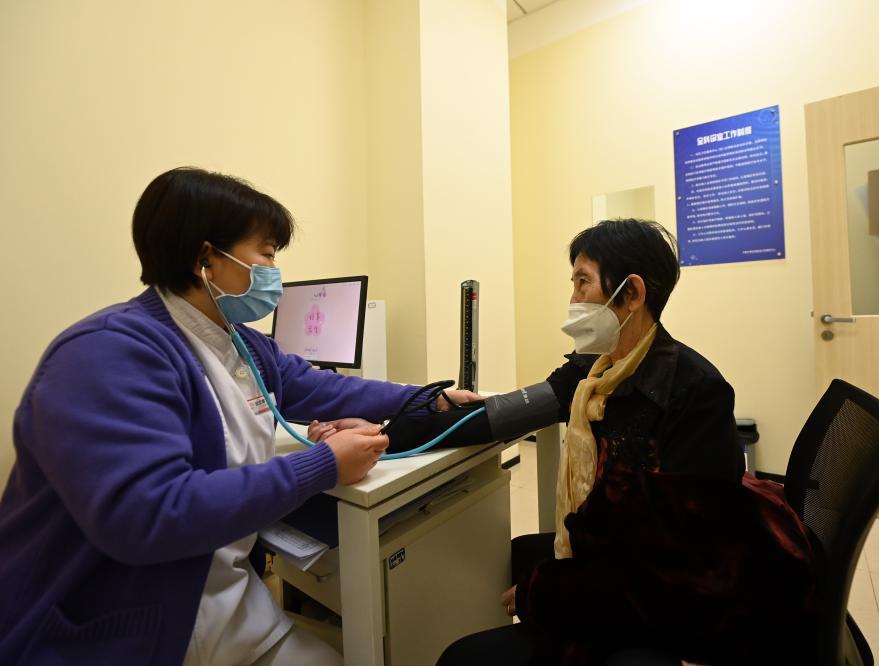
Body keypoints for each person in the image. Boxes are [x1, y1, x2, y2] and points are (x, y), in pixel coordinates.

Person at [0, 167, 477, 666]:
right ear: (206, 258)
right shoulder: (107, 353)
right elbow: (149, 514)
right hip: (117, 636)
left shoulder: (240, 344)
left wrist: (431, 399)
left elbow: (324, 388)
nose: (275, 271)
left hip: (231, 614)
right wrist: (323, 465)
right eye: (267, 254)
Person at [438, 219, 816, 665]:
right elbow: (521, 406)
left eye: (582, 282)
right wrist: (429, 416)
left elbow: (680, 568)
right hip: (624, 552)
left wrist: (542, 594)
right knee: (518, 553)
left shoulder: (695, 393)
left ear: (632, 293)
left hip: (681, 598)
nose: (573, 299)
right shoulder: (595, 370)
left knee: (461, 657)